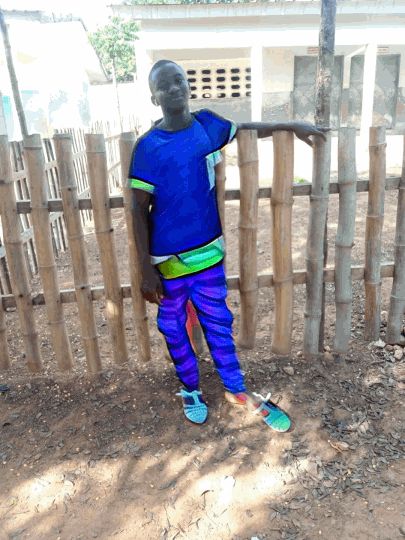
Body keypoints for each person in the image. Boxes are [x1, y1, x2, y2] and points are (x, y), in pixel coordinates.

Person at [129, 59, 330, 431]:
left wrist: (291, 125)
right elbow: (138, 211)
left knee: (219, 325)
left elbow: (247, 128)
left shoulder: (208, 125)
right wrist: (145, 271)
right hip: (167, 263)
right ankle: (190, 389)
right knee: (173, 328)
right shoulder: (147, 148)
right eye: (164, 85)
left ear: (188, 85)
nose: (174, 89)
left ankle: (236, 390)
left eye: (179, 80)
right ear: (154, 97)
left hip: (209, 257)